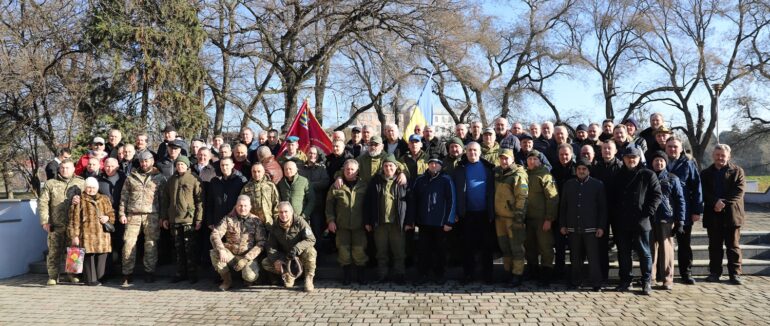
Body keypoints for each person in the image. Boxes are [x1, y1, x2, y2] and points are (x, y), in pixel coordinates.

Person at [611, 147, 662, 295]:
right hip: (622, 221)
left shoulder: (648, 174)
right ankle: (626, 281)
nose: (631, 160)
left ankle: (646, 281)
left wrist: (647, 213)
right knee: (624, 253)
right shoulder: (618, 175)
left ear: (639, 158)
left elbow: (657, 195)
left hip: (641, 220)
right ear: (623, 159)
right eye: (628, 157)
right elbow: (612, 197)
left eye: (634, 157)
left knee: (644, 252)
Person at [119, 151, 167, 285]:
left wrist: (163, 217)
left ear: (152, 161)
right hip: (133, 214)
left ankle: (149, 272)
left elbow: (163, 199)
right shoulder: (131, 177)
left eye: (146, 161)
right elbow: (124, 197)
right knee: (128, 244)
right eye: (141, 161)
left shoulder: (159, 178)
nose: (144, 164)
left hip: (152, 215)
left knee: (151, 244)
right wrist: (122, 214)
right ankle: (127, 273)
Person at [559, 159, 607, 291]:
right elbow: (563, 206)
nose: (581, 171)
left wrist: (601, 226)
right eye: (579, 169)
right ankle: (575, 281)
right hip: (573, 226)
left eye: (584, 169)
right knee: (575, 257)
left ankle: (596, 283)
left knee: (593, 258)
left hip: (591, 227)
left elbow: (603, 208)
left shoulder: (597, 185)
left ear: (588, 170)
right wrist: (563, 224)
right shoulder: (568, 184)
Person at [701, 144, 746, 285]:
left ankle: (735, 274)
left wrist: (723, 203)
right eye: (717, 155)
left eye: (723, 155)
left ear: (728, 156)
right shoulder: (705, 173)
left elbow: (739, 191)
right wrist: (715, 202)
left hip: (732, 214)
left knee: (733, 246)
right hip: (713, 214)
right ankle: (714, 273)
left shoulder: (737, 171)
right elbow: (703, 191)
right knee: (714, 246)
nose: (720, 157)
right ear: (713, 155)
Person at [453, 142, 496, 284]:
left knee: (487, 246)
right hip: (467, 214)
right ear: (465, 152)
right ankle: (468, 274)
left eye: (475, 150)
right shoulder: (460, 169)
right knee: (467, 246)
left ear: (480, 152)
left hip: (485, 213)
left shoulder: (489, 168)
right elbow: (454, 192)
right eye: (470, 150)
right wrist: (456, 212)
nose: (472, 153)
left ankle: (487, 275)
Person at [665, 136, 704, 285]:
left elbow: (696, 187)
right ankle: (663, 273)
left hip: (684, 211)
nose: (672, 149)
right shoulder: (660, 161)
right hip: (664, 210)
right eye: (670, 146)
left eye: (675, 147)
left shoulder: (688, 163)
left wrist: (697, 210)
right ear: (665, 148)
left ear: (681, 148)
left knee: (684, 244)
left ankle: (686, 273)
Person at [39, 160, 84, 285]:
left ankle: (72, 274)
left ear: (73, 169)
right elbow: (43, 203)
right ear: (59, 169)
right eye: (62, 168)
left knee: (74, 251)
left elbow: (87, 200)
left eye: (67, 168)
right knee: (54, 252)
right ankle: (53, 276)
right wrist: (45, 221)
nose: (64, 170)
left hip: (74, 225)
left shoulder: (81, 183)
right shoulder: (50, 183)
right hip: (56, 224)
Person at [364, 155, 409, 283]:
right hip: (380, 223)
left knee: (399, 251)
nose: (388, 168)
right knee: (381, 252)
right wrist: (367, 221)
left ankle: (399, 274)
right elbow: (368, 202)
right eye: (386, 166)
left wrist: (409, 221)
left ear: (396, 167)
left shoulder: (402, 182)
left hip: (397, 223)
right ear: (382, 168)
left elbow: (410, 202)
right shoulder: (376, 181)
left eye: (391, 165)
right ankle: (382, 274)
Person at [210, 195, 268, 291]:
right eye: (240, 205)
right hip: (231, 255)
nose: (243, 208)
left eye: (245, 206)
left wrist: (246, 258)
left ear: (250, 207)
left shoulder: (256, 221)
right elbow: (215, 234)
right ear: (236, 206)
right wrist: (221, 250)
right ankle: (227, 281)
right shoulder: (228, 219)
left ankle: (247, 280)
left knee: (250, 276)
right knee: (214, 253)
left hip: (247, 256)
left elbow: (261, 242)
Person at [325, 159, 369, 284]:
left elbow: (370, 205)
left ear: (357, 171)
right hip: (342, 225)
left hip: (359, 225)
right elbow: (329, 205)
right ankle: (347, 277)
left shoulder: (364, 185)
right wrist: (331, 221)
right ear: (343, 171)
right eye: (347, 169)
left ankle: (361, 276)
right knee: (343, 252)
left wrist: (368, 222)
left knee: (359, 251)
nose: (349, 171)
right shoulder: (336, 186)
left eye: (352, 169)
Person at [161, 156, 203, 283]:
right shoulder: (171, 180)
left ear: (187, 165)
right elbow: (165, 200)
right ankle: (180, 273)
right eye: (178, 164)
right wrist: (165, 217)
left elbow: (200, 201)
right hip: (174, 220)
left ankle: (192, 274)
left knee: (190, 249)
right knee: (178, 249)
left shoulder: (194, 179)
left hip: (188, 219)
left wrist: (199, 219)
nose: (180, 166)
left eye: (182, 164)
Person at [67, 177, 114, 286]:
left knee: (102, 255)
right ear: (84, 188)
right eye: (88, 187)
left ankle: (100, 277)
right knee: (89, 256)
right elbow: (74, 220)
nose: (91, 190)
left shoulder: (104, 199)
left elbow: (112, 213)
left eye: (93, 187)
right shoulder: (79, 200)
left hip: (102, 235)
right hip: (86, 235)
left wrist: (107, 217)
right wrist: (74, 236)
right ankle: (90, 280)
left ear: (97, 188)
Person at [261, 202, 318, 292]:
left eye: (286, 212)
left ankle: (308, 279)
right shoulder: (275, 226)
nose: (283, 215)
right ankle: (288, 274)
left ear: (291, 212)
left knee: (311, 252)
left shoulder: (300, 222)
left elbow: (311, 239)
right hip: (286, 257)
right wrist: (276, 260)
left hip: (300, 255)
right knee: (265, 262)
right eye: (281, 212)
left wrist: (297, 248)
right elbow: (271, 246)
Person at [649, 150, 685, 290]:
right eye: (656, 160)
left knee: (666, 250)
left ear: (665, 162)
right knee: (650, 249)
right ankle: (650, 277)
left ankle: (667, 279)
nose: (658, 163)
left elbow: (680, 200)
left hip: (666, 218)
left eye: (661, 160)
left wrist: (680, 220)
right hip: (650, 218)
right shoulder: (647, 176)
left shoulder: (672, 178)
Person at [492, 149, 528, 287]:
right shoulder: (498, 172)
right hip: (500, 217)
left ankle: (517, 274)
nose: (504, 161)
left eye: (506, 158)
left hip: (513, 218)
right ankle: (508, 272)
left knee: (516, 248)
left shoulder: (518, 175)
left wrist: (519, 216)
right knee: (505, 247)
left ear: (512, 159)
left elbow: (522, 196)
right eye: (501, 158)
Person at [524, 150, 559, 286]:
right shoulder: (525, 174)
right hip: (528, 219)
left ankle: (546, 274)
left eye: (535, 159)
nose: (532, 161)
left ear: (540, 161)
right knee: (530, 247)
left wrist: (549, 219)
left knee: (545, 247)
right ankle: (532, 271)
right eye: (530, 159)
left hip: (542, 219)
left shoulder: (545, 175)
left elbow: (552, 198)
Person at [592, 140, 623, 281]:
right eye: (604, 148)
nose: (607, 151)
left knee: (622, 244)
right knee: (601, 245)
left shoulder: (621, 167)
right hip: (600, 211)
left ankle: (624, 276)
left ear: (615, 151)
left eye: (609, 148)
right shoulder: (596, 168)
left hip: (618, 211)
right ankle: (602, 275)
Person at [97, 158, 126, 277]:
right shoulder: (99, 180)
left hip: (121, 215)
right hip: (106, 217)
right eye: (107, 166)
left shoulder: (124, 178)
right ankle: (108, 272)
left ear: (117, 166)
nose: (109, 169)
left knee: (122, 243)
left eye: (112, 166)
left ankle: (123, 271)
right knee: (108, 245)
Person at [205, 158, 248, 229]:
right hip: (218, 220)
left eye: (227, 165)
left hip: (236, 221)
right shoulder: (214, 181)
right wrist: (210, 221)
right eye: (222, 165)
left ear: (232, 165)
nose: (224, 167)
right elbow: (210, 202)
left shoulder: (241, 180)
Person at [299, 146, 330, 240]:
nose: (312, 155)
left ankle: (319, 248)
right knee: (304, 230)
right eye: (310, 153)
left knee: (317, 230)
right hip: (303, 205)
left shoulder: (321, 168)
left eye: (314, 153)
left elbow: (325, 182)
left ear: (317, 156)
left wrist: (310, 185)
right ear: (307, 154)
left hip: (317, 205)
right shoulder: (301, 168)